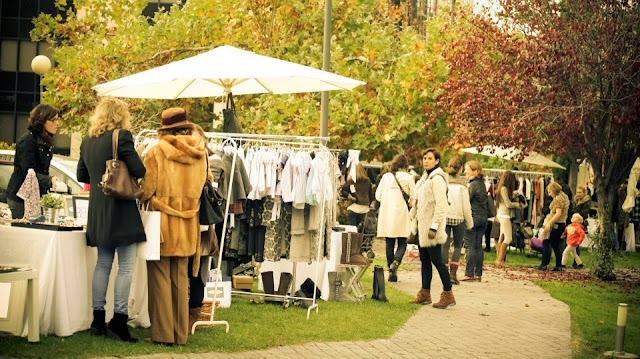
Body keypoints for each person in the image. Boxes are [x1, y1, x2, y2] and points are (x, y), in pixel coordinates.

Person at [76, 97, 146, 342]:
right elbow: (139, 170)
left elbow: (81, 174)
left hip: (98, 209)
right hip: (121, 210)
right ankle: (118, 320)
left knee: (103, 264)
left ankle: (97, 320)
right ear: (120, 115)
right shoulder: (122, 136)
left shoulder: (87, 141)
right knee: (126, 267)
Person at [141, 107, 208, 345]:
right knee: (181, 279)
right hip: (189, 221)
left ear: (165, 128)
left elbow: (147, 189)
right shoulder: (201, 152)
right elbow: (201, 187)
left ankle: (162, 334)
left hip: (162, 222)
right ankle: (180, 335)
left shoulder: (156, 151)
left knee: (159, 277)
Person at [409, 148, 455, 308]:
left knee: (438, 261)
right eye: (424, 158)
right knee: (425, 261)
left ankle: (448, 294)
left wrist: (434, 227)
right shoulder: (425, 178)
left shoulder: (437, 179)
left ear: (437, 161)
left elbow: (441, 205)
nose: (426, 161)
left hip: (431, 228)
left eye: (429, 158)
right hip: (422, 227)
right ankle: (425, 293)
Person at [6, 104, 60, 219]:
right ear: (42, 121)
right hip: (20, 197)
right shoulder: (27, 141)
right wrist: (49, 179)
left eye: (58, 119)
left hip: (36, 196)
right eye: (53, 120)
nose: (57, 123)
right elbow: (28, 172)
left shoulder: (45, 141)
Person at [376, 154, 415, 282]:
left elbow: (378, 196)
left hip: (387, 212)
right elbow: (413, 197)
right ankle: (396, 262)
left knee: (389, 241)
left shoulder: (386, 177)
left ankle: (391, 270)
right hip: (402, 212)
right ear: (405, 165)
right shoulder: (409, 178)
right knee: (403, 241)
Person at [442, 156, 473, 284]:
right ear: (460, 169)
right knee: (457, 246)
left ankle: (443, 274)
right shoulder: (463, 184)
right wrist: (470, 222)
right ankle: (453, 274)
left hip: (444, 216)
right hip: (459, 218)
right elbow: (466, 206)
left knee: (444, 245)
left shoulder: (443, 180)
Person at [461, 160, 489, 282]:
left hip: (473, 218)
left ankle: (469, 274)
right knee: (478, 245)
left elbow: (466, 200)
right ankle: (478, 274)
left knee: (470, 246)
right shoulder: (482, 183)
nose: (465, 171)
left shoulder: (472, 184)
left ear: (475, 171)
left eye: (468, 169)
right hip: (483, 218)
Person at [494, 170, 526, 266]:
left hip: (500, 214)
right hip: (504, 215)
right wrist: (518, 204)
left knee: (502, 236)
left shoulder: (501, 188)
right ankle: (500, 260)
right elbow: (508, 204)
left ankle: (499, 259)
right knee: (508, 238)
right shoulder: (504, 189)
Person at [537, 181, 570, 271]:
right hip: (562, 224)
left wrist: (549, 222)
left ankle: (544, 264)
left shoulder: (557, 200)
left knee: (546, 242)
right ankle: (559, 265)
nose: (549, 193)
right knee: (556, 244)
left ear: (554, 190)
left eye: (550, 191)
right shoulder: (564, 197)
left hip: (556, 224)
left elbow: (558, 213)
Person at [340, 162, 374, 231]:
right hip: (365, 208)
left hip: (354, 207)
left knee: (352, 229)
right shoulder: (368, 181)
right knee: (362, 230)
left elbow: (341, 190)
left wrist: (349, 196)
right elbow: (371, 196)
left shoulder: (351, 181)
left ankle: (353, 239)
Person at [571, 186, 590, 267]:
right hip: (573, 224)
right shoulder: (575, 201)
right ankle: (577, 262)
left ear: (584, 193)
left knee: (576, 244)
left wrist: (576, 210)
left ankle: (576, 263)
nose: (578, 194)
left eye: (580, 192)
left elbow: (583, 214)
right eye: (577, 192)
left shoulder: (586, 203)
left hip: (580, 225)